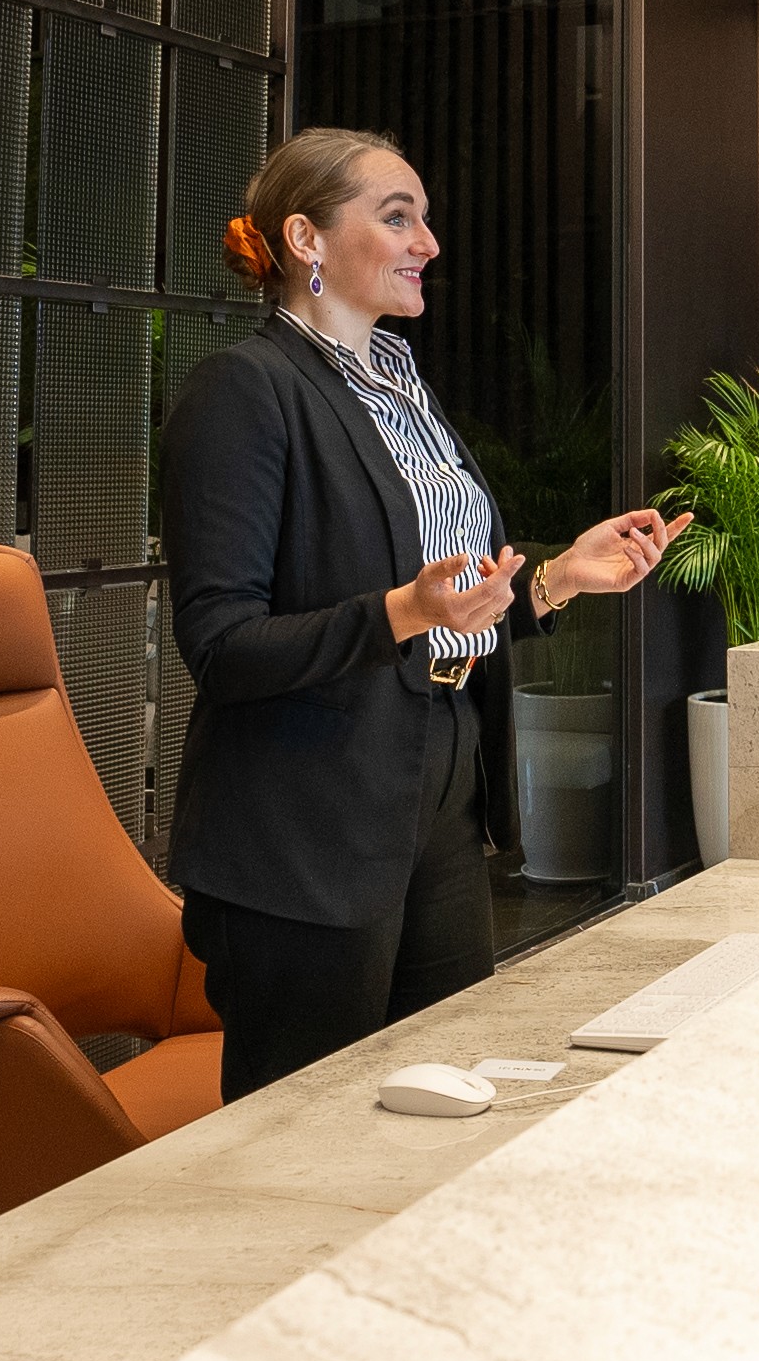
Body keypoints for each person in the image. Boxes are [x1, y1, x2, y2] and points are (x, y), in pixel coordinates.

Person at [159, 127, 683, 1100]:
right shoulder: (245, 393)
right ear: (306, 239)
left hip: (437, 786)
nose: (427, 242)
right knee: (305, 1132)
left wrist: (559, 577)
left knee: (441, 1093)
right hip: (304, 823)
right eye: (396, 217)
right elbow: (222, 647)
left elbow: (449, 608)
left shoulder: (402, 390)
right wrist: (398, 611)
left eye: (425, 220)